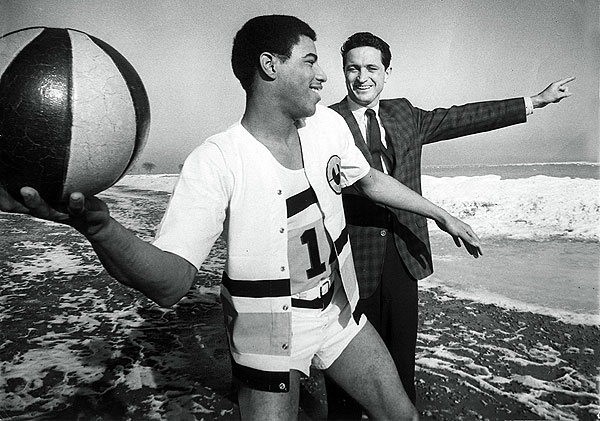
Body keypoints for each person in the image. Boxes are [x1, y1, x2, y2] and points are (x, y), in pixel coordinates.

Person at [0, 16, 484, 421]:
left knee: (404, 415)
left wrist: (441, 215)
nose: (323, 77)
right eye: (311, 61)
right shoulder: (216, 161)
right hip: (267, 336)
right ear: (270, 66)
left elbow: (369, 180)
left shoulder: (327, 127)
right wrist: (100, 228)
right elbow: (170, 282)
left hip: (339, 313)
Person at [325, 31, 574, 418]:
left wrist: (535, 101)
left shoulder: (404, 113)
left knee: (400, 372)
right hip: (351, 262)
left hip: (405, 256)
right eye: (352, 68)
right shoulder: (327, 122)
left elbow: (462, 118)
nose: (362, 77)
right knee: (346, 384)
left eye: (371, 68)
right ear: (343, 72)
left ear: (387, 71)